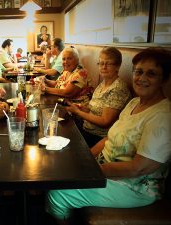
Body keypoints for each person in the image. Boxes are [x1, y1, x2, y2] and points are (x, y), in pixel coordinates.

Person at [46, 47, 171, 225]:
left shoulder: (163, 116)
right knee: (60, 164)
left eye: (151, 74)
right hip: (107, 168)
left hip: (135, 186)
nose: (141, 78)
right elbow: (108, 138)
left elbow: (139, 168)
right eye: (138, 72)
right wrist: (87, 159)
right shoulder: (135, 102)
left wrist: (90, 171)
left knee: (58, 193)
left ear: (164, 79)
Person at [65, 47, 132, 147]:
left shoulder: (118, 89)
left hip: (98, 138)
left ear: (117, 66)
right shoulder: (103, 84)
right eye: (101, 63)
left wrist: (78, 112)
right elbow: (93, 109)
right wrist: (81, 108)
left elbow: (105, 121)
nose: (104, 67)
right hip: (86, 128)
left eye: (108, 63)